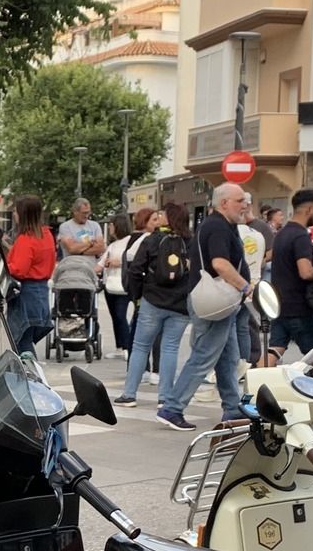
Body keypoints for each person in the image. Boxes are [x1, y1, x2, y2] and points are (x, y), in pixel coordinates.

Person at [158, 182, 251, 432]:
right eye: (240, 200)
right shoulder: (218, 227)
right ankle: (172, 407)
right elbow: (220, 264)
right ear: (224, 203)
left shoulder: (219, 225)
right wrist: (246, 286)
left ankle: (232, 407)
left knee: (227, 357)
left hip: (219, 302)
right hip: (215, 302)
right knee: (204, 356)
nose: (245, 205)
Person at [118, 205, 192, 408]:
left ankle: (129, 394)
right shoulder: (190, 242)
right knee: (170, 348)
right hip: (180, 304)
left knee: (140, 347)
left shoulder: (151, 240)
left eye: (163, 215)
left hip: (152, 301)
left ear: (169, 219)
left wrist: (137, 296)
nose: (159, 217)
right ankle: (165, 397)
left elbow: (135, 270)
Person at [270, 190, 313, 358]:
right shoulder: (301, 236)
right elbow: (305, 272)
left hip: (280, 304)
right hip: (301, 307)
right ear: (309, 209)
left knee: (275, 349)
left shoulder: (281, 234)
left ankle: (258, 373)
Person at [4, 196, 57, 355]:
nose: (14, 214)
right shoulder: (46, 234)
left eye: (15, 211)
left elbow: (19, 270)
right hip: (41, 292)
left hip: (26, 293)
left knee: (22, 342)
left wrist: (4, 266)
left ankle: (31, 370)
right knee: (26, 341)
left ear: (23, 214)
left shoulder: (26, 239)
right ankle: (31, 369)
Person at [100, 209, 144, 356]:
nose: (110, 228)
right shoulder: (112, 245)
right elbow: (101, 263)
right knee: (115, 316)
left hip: (123, 284)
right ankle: (119, 346)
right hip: (110, 284)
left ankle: (126, 345)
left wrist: (117, 262)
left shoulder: (130, 242)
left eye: (111, 225)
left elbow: (133, 258)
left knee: (120, 315)